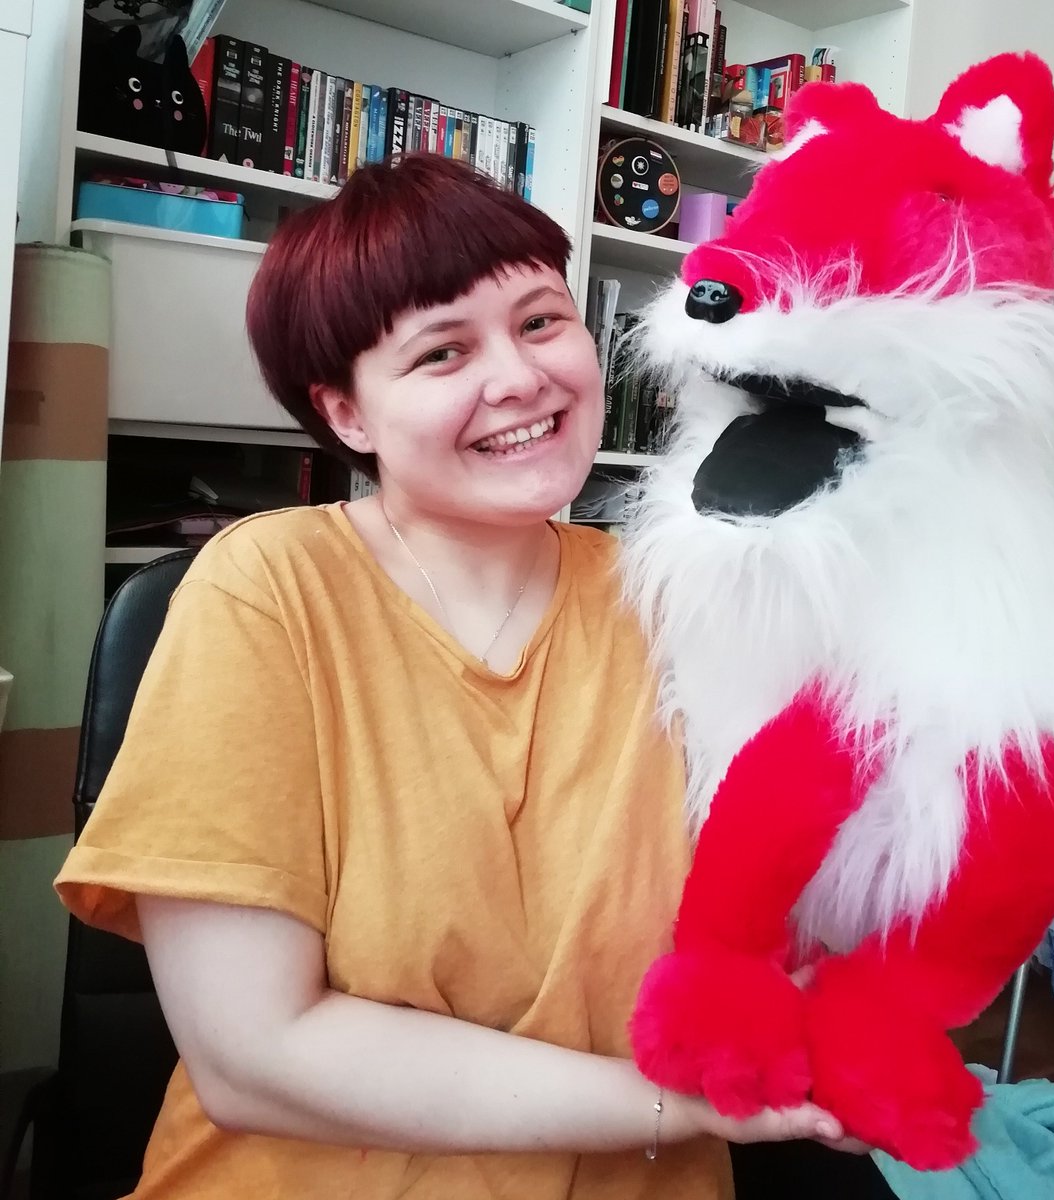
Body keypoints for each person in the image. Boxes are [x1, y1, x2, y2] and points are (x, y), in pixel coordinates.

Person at [54, 152, 884, 1199]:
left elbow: (792, 904)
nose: (522, 377)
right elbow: (253, 1054)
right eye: (443, 351)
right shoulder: (267, 590)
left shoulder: (683, 600)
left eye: (540, 321)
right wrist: (684, 1107)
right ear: (348, 414)